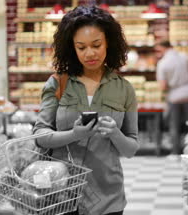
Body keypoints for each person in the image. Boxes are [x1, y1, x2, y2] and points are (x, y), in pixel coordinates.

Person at [33, 5, 139, 215]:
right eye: (81, 47)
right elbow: (39, 135)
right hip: (60, 195)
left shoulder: (124, 88)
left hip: (107, 197)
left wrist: (115, 134)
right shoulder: (57, 83)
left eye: (96, 45)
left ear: (108, 42)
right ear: (72, 48)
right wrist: (73, 135)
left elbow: (131, 149)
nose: (90, 53)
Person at [155, 40, 188, 155]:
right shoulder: (185, 57)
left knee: (174, 125)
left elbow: (163, 86)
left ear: (162, 49)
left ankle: (175, 152)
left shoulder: (163, 63)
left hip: (174, 96)